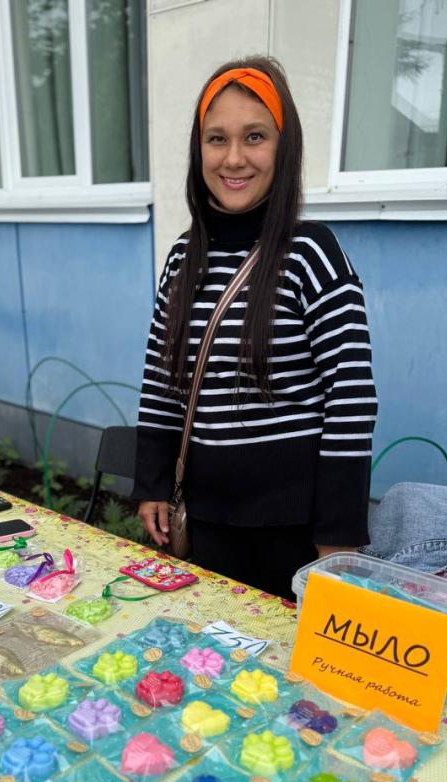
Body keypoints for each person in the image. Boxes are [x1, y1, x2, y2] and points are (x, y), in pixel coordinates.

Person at [133, 58, 377, 599]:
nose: (234, 158)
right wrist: (152, 483)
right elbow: (161, 382)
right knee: (212, 647)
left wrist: (338, 537)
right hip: (206, 523)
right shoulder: (184, 258)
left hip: (297, 533)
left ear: (283, 149)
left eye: (255, 136)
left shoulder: (312, 254)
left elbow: (351, 400)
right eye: (217, 138)